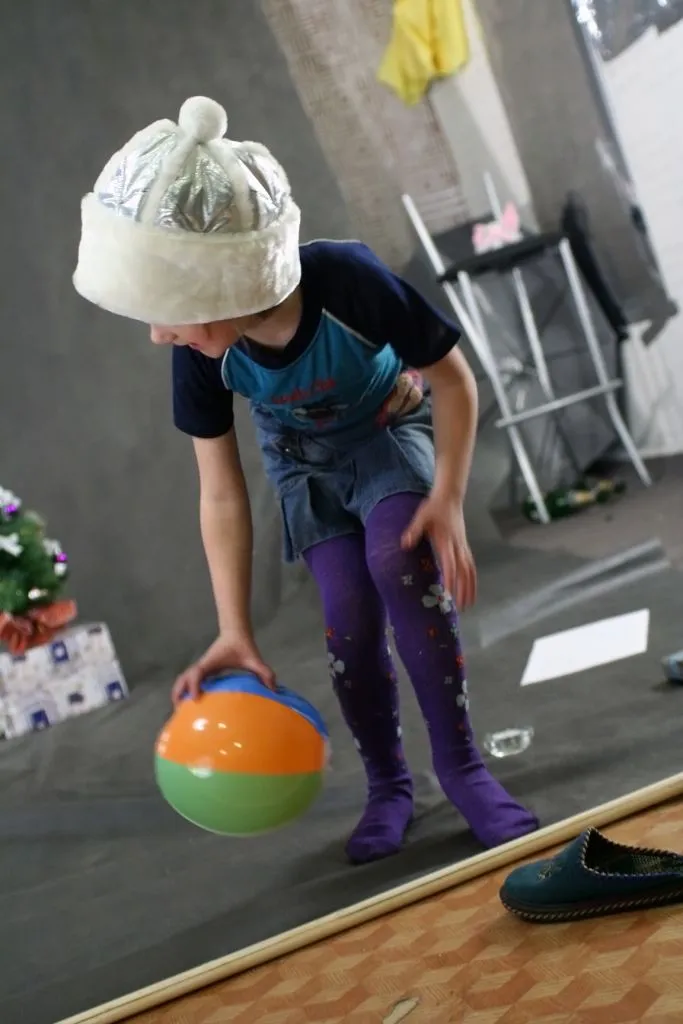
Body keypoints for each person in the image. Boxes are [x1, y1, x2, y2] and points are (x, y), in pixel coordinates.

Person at [73, 95, 539, 863]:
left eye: (167, 313)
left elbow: (452, 379)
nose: (157, 334)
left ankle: (462, 769)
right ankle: (389, 784)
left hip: (386, 434)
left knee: (398, 559)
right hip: (306, 469)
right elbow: (220, 491)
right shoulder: (199, 353)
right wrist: (234, 629)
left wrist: (448, 496)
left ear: (220, 281)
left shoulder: (346, 278)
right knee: (347, 615)